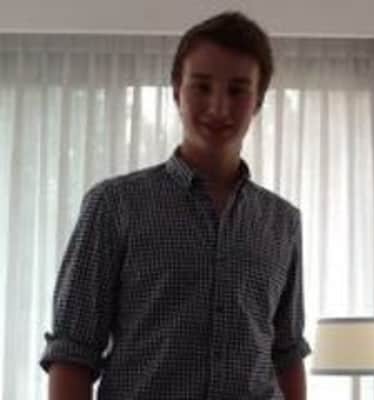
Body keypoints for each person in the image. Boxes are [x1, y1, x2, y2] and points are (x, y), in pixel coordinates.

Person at [40, 11, 311, 400]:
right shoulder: (114, 206)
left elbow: (286, 354)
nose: (218, 107)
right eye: (202, 86)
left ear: (258, 102)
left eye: (237, 90)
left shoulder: (283, 222)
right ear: (176, 91)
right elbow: (72, 353)